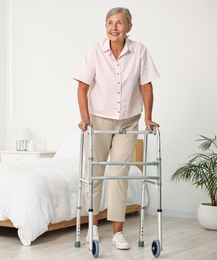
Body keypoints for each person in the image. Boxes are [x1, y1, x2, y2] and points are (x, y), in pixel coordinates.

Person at [73, 7, 160, 250]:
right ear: (105, 27)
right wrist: (84, 118)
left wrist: (149, 118)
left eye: (120, 23)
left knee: (119, 174)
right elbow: (82, 87)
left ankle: (118, 233)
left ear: (129, 27)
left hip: (128, 121)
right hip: (98, 120)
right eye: (110, 22)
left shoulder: (139, 51)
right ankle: (92, 226)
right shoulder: (94, 50)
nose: (114, 27)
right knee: (96, 173)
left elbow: (146, 86)